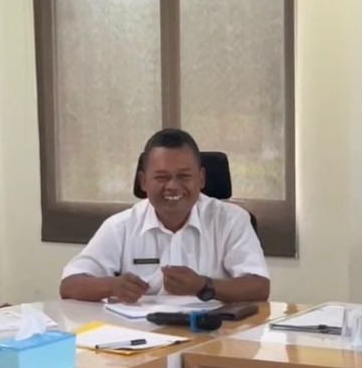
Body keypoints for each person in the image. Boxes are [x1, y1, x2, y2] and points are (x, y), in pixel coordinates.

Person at [59, 129, 270, 305]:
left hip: (215, 332)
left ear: (201, 178)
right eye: (161, 177)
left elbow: (259, 287)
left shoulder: (231, 220)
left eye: (184, 176)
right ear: (143, 181)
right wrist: (112, 286)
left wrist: (204, 285)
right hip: (140, 335)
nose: (173, 186)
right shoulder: (120, 226)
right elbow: (69, 285)